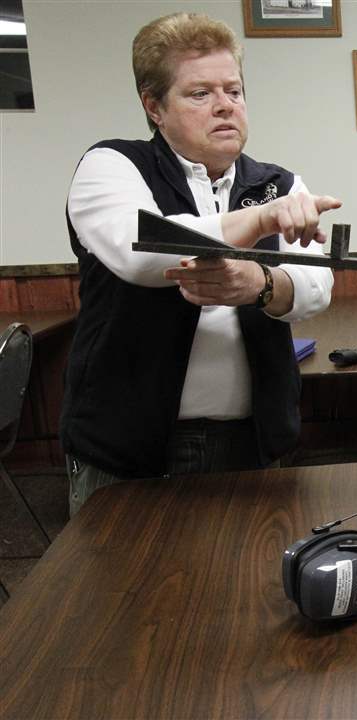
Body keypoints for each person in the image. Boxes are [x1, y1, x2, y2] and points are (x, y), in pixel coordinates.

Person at [62, 13, 340, 516]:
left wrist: (258, 282)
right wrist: (260, 222)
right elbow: (141, 249)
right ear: (154, 107)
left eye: (234, 91)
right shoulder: (112, 166)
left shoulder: (278, 182)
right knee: (126, 594)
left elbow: (314, 286)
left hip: (254, 444)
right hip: (129, 452)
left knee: (252, 591)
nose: (224, 107)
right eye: (200, 94)